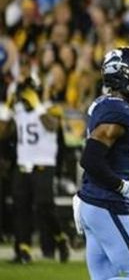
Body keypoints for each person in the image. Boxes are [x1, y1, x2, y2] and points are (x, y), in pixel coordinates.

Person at [73, 47, 129, 280]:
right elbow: (91, 159)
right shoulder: (118, 110)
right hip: (107, 203)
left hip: (94, 201)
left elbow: (107, 155)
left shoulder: (104, 103)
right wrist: (122, 186)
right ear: (122, 76)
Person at [0, 74, 69, 263]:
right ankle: (23, 249)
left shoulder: (50, 108)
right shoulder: (18, 110)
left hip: (44, 164)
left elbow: (52, 126)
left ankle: (60, 238)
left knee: (44, 205)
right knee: (20, 207)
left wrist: (38, 106)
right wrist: (7, 111)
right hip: (23, 165)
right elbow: (3, 133)